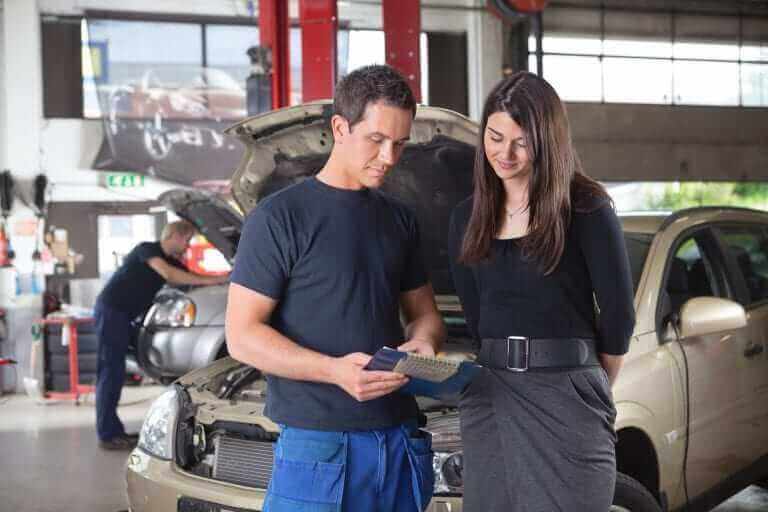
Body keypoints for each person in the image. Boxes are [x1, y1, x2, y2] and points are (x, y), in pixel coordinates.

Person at [225, 64, 446, 512]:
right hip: (318, 450)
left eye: (400, 144)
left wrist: (423, 342)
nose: (389, 157)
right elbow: (242, 336)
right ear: (340, 127)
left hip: (400, 440)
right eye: (377, 140)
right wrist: (334, 371)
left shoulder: (398, 218)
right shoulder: (279, 219)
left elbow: (425, 314)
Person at [448, 71, 635, 511]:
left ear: (547, 139)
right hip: (490, 391)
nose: (504, 153)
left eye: (521, 141)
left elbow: (619, 315)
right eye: (494, 137)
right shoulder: (466, 217)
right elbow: (475, 315)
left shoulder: (586, 207)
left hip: (566, 389)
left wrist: (586, 383)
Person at [95, 220, 229, 450]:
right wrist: (217, 279)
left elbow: (192, 281)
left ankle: (111, 431)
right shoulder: (147, 250)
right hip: (112, 311)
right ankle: (108, 434)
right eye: (187, 240)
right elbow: (170, 275)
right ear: (175, 235)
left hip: (126, 316)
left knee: (114, 371)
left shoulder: (171, 262)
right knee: (111, 372)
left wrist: (225, 278)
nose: (187, 246)